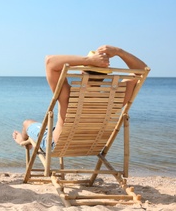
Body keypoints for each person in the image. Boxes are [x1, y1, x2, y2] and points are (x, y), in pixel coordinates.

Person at [12, 45, 147, 151]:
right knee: (48, 129)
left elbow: (49, 61)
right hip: (91, 147)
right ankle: (31, 142)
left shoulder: (68, 95)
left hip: (58, 145)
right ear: (105, 76)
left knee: (27, 123)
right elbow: (142, 70)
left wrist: (88, 60)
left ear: (82, 72)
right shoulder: (115, 98)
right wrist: (119, 52)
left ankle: (25, 143)